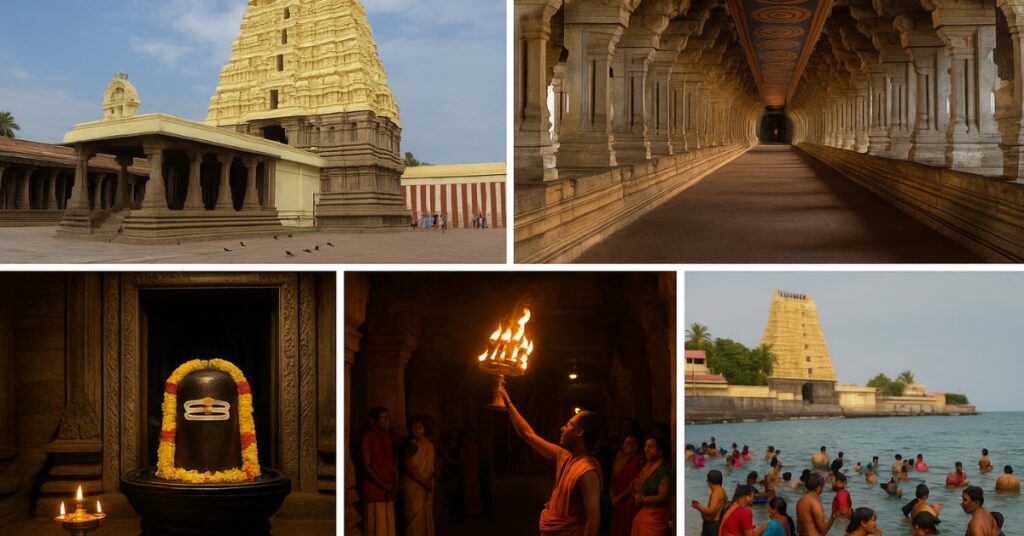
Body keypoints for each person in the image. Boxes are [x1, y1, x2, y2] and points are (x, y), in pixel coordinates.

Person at [499, 387, 602, 536]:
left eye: (568, 425)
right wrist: (508, 403)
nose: (562, 428)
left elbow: (593, 520)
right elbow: (527, 434)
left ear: (580, 432)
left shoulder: (587, 472)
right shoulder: (564, 456)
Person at [361, 407, 398, 536]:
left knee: (388, 527)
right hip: (375, 488)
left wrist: (391, 486)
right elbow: (367, 467)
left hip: (388, 488)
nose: (388, 420)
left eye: (389, 417)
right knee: (377, 527)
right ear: (374, 421)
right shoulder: (368, 437)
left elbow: (391, 463)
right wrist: (384, 486)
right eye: (384, 417)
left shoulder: (387, 436)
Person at [630, 434, 672, 536]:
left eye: (651, 447)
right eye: (646, 446)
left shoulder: (662, 470)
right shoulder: (646, 467)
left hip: (656, 516)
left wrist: (643, 499)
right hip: (645, 512)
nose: (646, 449)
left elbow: (663, 496)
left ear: (660, 451)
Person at [400, 416, 435, 536]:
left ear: (424, 428)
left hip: (424, 485)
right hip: (413, 486)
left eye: (418, 427)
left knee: (423, 519)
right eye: (413, 428)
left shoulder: (426, 443)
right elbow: (409, 469)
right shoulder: (411, 445)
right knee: (414, 523)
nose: (416, 430)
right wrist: (424, 482)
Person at [609, 434, 643, 536]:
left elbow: (633, 485)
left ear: (635, 446)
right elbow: (614, 479)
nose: (625, 446)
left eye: (628, 443)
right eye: (624, 443)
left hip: (627, 504)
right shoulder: (620, 458)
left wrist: (618, 498)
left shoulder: (637, 461)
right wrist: (611, 495)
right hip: (617, 503)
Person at [692, 469, 727, 536]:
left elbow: (710, 511)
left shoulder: (716, 493)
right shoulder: (721, 490)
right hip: (717, 524)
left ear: (710, 481)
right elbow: (725, 503)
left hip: (712, 525)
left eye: (707, 480)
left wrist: (698, 507)